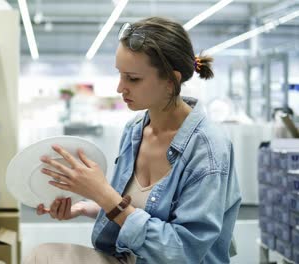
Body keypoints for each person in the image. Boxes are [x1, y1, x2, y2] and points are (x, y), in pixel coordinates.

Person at [23, 16, 242, 264]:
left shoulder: (208, 149)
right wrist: (86, 206)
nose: (120, 87)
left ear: (171, 81)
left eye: (133, 78)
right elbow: (135, 209)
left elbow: (183, 252)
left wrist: (104, 195)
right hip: (130, 259)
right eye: (120, 75)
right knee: (42, 256)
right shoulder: (135, 129)